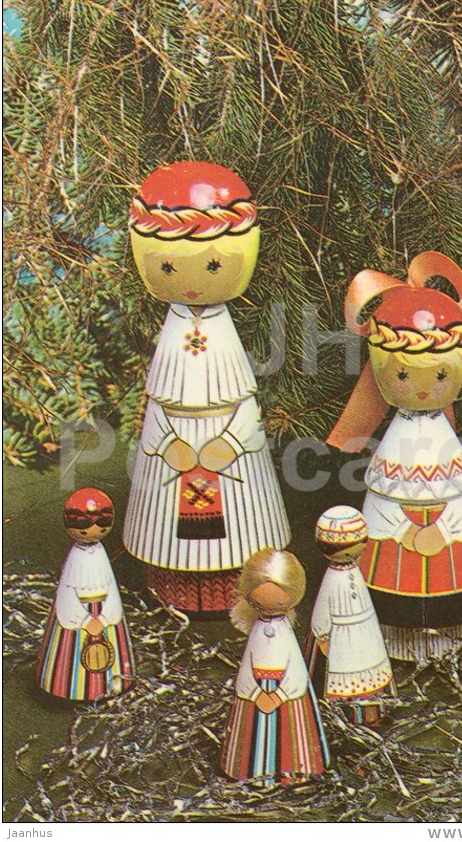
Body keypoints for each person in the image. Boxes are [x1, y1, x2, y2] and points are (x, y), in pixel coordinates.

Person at [124, 161, 290, 613]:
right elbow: (159, 406)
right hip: (175, 450)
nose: (194, 283)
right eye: (168, 266)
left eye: (214, 264)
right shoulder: (172, 334)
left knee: (239, 523)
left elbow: (244, 408)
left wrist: (231, 443)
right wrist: (165, 445)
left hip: (227, 453)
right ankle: (172, 585)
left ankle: (239, 580)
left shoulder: (223, 337)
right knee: (170, 523)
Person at [327, 252, 462, 661]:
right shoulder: (395, 456)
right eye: (403, 374)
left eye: (440, 375)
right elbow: (382, 518)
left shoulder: (446, 452)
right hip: (391, 566)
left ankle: (456, 627)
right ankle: (390, 630)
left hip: (454, 562)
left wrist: (445, 531)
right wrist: (404, 532)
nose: (422, 388)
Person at [221, 548, 329, 784]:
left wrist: (279, 695)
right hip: (257, 693)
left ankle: (295, 770)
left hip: (286, 696)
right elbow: (247, 670)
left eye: (280, 599)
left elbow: (296, 672)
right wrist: (255, 693)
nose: (270, 604)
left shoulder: (284, 634)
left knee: (292, 736)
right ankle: (248, 769)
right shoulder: (258, 632)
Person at [36, 488, 134, 700]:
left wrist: (105, 618)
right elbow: (67, 597)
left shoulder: (100, 553)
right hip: (78, 618)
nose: (93, 532)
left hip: (104, 613)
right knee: (69, 655)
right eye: (84, 528)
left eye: (102, 527)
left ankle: (113, 683)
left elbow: (111, 590)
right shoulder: (76, 557)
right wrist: (85, 620)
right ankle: (64, 685)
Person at [306, 506, 396, 725]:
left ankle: (371, 712)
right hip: (339, 639)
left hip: (365, 633)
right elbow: (322, 610)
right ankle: (338, 716)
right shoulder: (332, 578)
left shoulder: (352, 572)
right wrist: (322, 635)